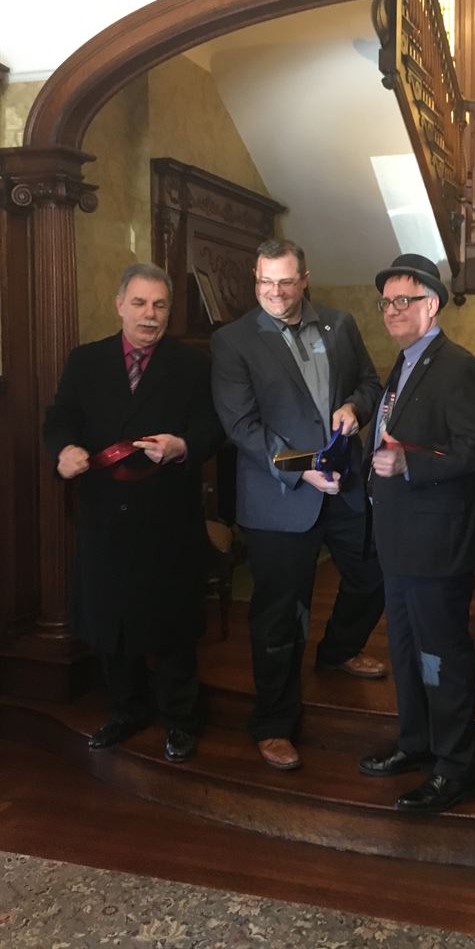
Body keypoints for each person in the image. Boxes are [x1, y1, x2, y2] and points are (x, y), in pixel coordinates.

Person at [210, 238, 385, 771]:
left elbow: (370, 382)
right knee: (280, 616)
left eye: (286, 282)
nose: (276, 292)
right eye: (266, 282)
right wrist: (298, 469)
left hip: (344, 488)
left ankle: (338, 650)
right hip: (280, 497)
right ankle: (273, 723)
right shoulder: (232, 341)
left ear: (304, 279)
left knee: (373, 574)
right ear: (255, 278)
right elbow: (242, 426)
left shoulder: (339, 323)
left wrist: (354, 407)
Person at [42, 262, 223, 763]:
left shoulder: (192, 365)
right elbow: (60, 418)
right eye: (140, 303)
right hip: (104, 514)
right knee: (111, 620)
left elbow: (211, 428)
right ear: (120, 304)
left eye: (160, 305)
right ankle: (125, 711)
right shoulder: (85, 360)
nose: (150, 314)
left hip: (167, 514)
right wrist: (63, 450)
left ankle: (181, 720)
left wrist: (182, 446)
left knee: (172, 624)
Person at [358, 254, 475, 814]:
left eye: (403, 300)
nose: (391, 310)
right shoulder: (405, 362)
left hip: (437, 545)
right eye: (386, 302)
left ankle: (455, 768)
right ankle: (415, 743)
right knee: (405, 649)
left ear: (432, 304)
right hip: (398, 540)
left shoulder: (455, 366)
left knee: (443, 655)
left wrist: (410, 465)